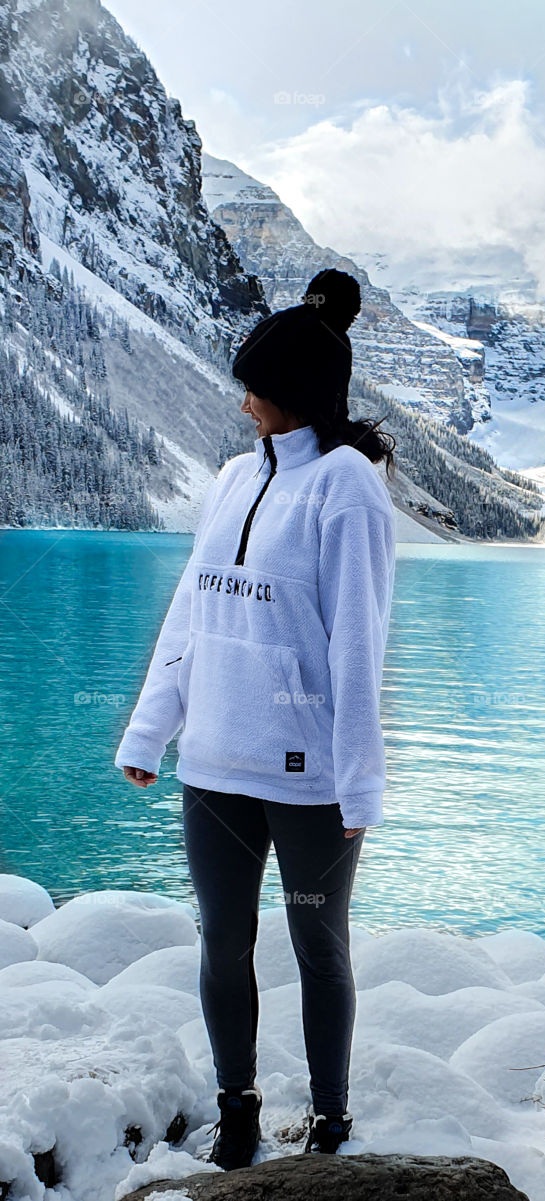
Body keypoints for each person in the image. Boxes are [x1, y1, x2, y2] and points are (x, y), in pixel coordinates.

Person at [114, 268, 397, 1169]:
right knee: (222, 941)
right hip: (214, 769)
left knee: (317, 940)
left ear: (302, 393)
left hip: (309, 777)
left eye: (258, 390)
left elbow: (358, 642)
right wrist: (150, 727)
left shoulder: (347, 487)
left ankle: (328, 1119)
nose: (243, 405)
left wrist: (359, 777)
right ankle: (237, 1107)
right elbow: (193, 610)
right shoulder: (234, 478)